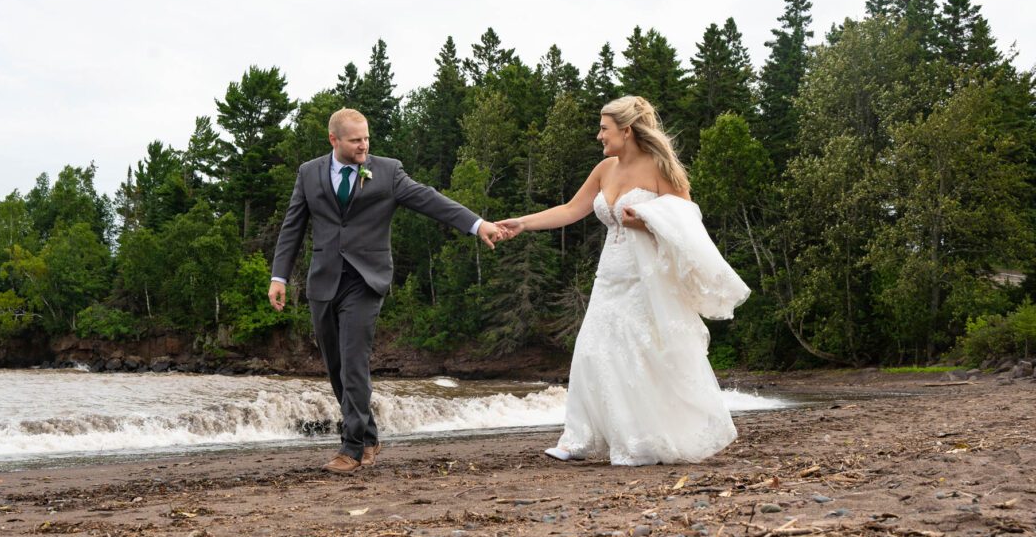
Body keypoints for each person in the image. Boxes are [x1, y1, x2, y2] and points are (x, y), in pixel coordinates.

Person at [499, 95, 749, 465]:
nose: (599, 135)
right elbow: (571, 210)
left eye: (604, 128)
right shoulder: (604, 170)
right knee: (592, 350)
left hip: (645, 276)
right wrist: (524, 223)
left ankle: (639, 442)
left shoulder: (660, 167)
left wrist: (647, 220)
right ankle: (578, 439)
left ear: (626, 130)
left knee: (640, 353)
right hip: (610, 274)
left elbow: (687, 220)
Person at [269, 108, 506, 474]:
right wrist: (279, 277)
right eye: (355, 140)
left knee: (353, 362)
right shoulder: (309, 173)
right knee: (335, 365)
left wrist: (476, 225)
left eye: (366, 138)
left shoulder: (387, 171)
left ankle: (350, 448)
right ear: (334, 140)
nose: (364, 145)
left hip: (366, 280)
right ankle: (369, 436)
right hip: (324, 280)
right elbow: (292, 227)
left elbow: (430, 200)